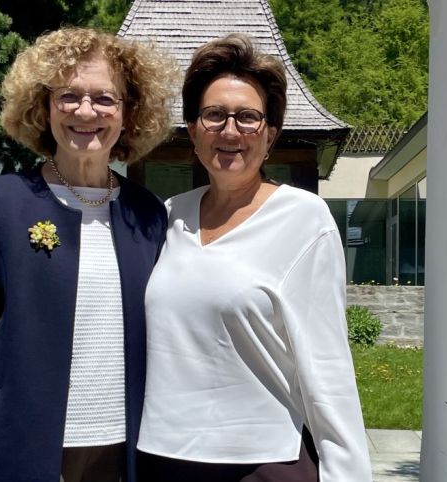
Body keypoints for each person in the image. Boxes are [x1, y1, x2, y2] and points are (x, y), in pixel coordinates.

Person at [0, 27, 177, 482]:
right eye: (68, 96)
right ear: (44, 107)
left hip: (124, 454)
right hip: (21, 451)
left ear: (128, 113)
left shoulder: (148, 215)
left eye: (105, 99)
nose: (86, 111)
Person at [137, 34, 372, 481]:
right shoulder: (169, 217)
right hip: (162, 459)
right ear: (192, 131)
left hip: (262, 464)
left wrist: (347, 472)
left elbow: (327, 366)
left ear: (270, 135)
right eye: (214, 115)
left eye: (248, 117)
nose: (230, 131)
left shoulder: (304, 219)